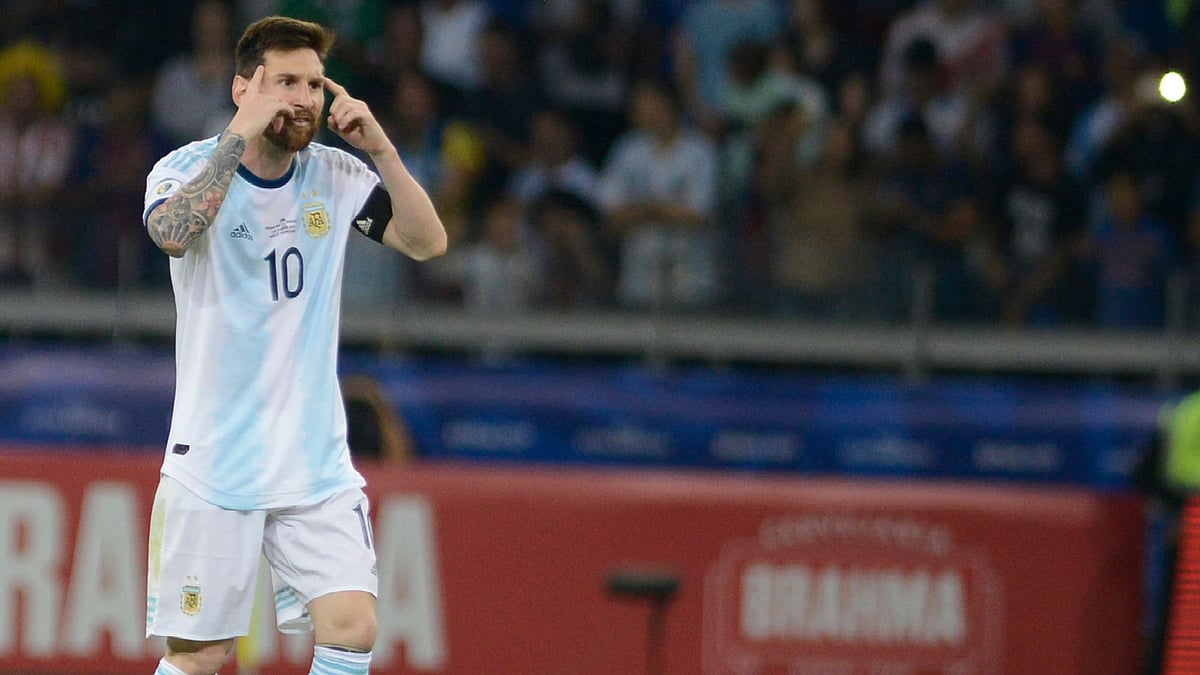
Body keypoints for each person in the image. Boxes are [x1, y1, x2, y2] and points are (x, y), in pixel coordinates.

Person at [140, 15, 446, 675]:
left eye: (314, 83)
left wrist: (383, 151)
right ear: (243, 88)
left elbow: (427, 242)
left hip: (313, 460)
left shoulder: (335, 175)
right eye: (286, 82)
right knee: (201, 654)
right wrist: (238, 136)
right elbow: (171, 233)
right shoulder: (184, 168)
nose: (305, 98)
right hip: (214, 458)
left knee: (354, 626)